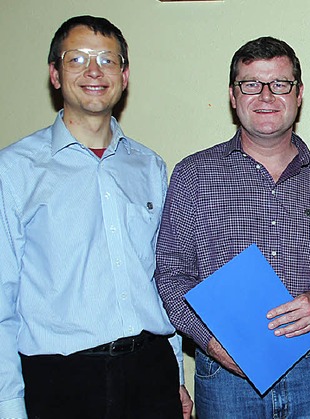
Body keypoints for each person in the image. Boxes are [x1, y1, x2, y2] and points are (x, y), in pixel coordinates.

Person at [154, 36, 310, 418]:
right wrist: (211, 342)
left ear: (299, 94)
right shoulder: (193, 175)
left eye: (280, 84)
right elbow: (170, 273)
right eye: (251, 84)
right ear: (233, 96)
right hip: (226, 374)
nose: (266, 96)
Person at [0, 15, 192, 419]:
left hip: (150, 371)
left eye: (107, 60)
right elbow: (3, 295)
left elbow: (158, 276)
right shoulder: (15, 169)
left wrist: (174, 374)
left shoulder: (151, 167)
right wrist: (8, 402)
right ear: (55, 74)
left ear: (124, 76)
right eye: (77, 59)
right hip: (60, 379)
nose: (94, 71)